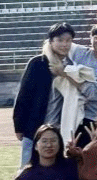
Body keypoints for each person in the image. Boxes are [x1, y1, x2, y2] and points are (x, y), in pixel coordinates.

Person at [13, 22, 77, 165]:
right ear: (51, 41)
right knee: (28, 169)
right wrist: (19, 126)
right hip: (35, 127)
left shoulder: (72, 66)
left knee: (56, 169)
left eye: (68, 41)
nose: (64, 44)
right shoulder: (38, 63)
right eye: (60, 40)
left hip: (60, 131)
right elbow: (24, 95)